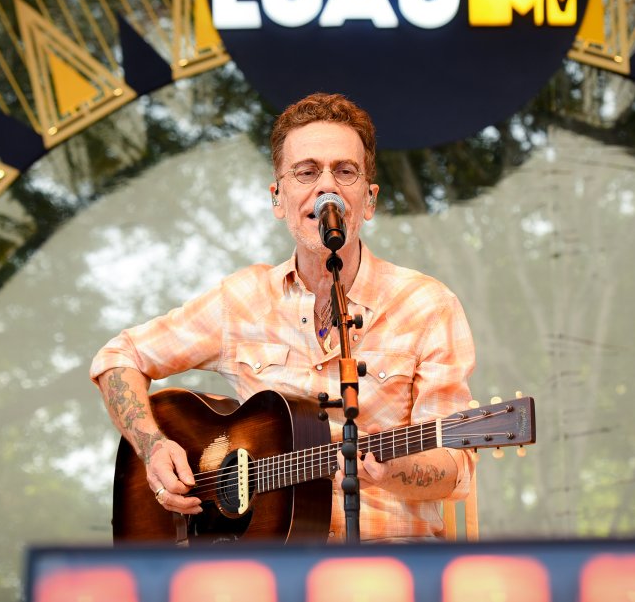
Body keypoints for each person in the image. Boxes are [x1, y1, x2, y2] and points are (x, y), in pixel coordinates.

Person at [90, 92, 476, 541]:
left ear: (368, 201)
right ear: (279, 198)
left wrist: (389, 469)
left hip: (388, 565)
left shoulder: (427, 305)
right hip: (262, 572)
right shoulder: (243, 299)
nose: (326, 187)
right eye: (307, 172)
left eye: (345, 171)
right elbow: (119, 357)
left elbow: (455, 467)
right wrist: (153, 447)